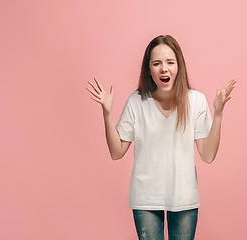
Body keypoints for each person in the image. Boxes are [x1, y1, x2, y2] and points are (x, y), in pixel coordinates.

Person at [86, 35, 236, 240]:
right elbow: (116, 152)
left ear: (179, 67)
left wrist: (218, 113)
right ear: (149, 69)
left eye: (170, 62)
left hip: (184, 198)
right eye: (157, 63)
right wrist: (107, 113)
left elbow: (208, 155)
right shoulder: (137, 101)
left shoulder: (196, 101)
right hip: (145, 198)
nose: (163, 68)